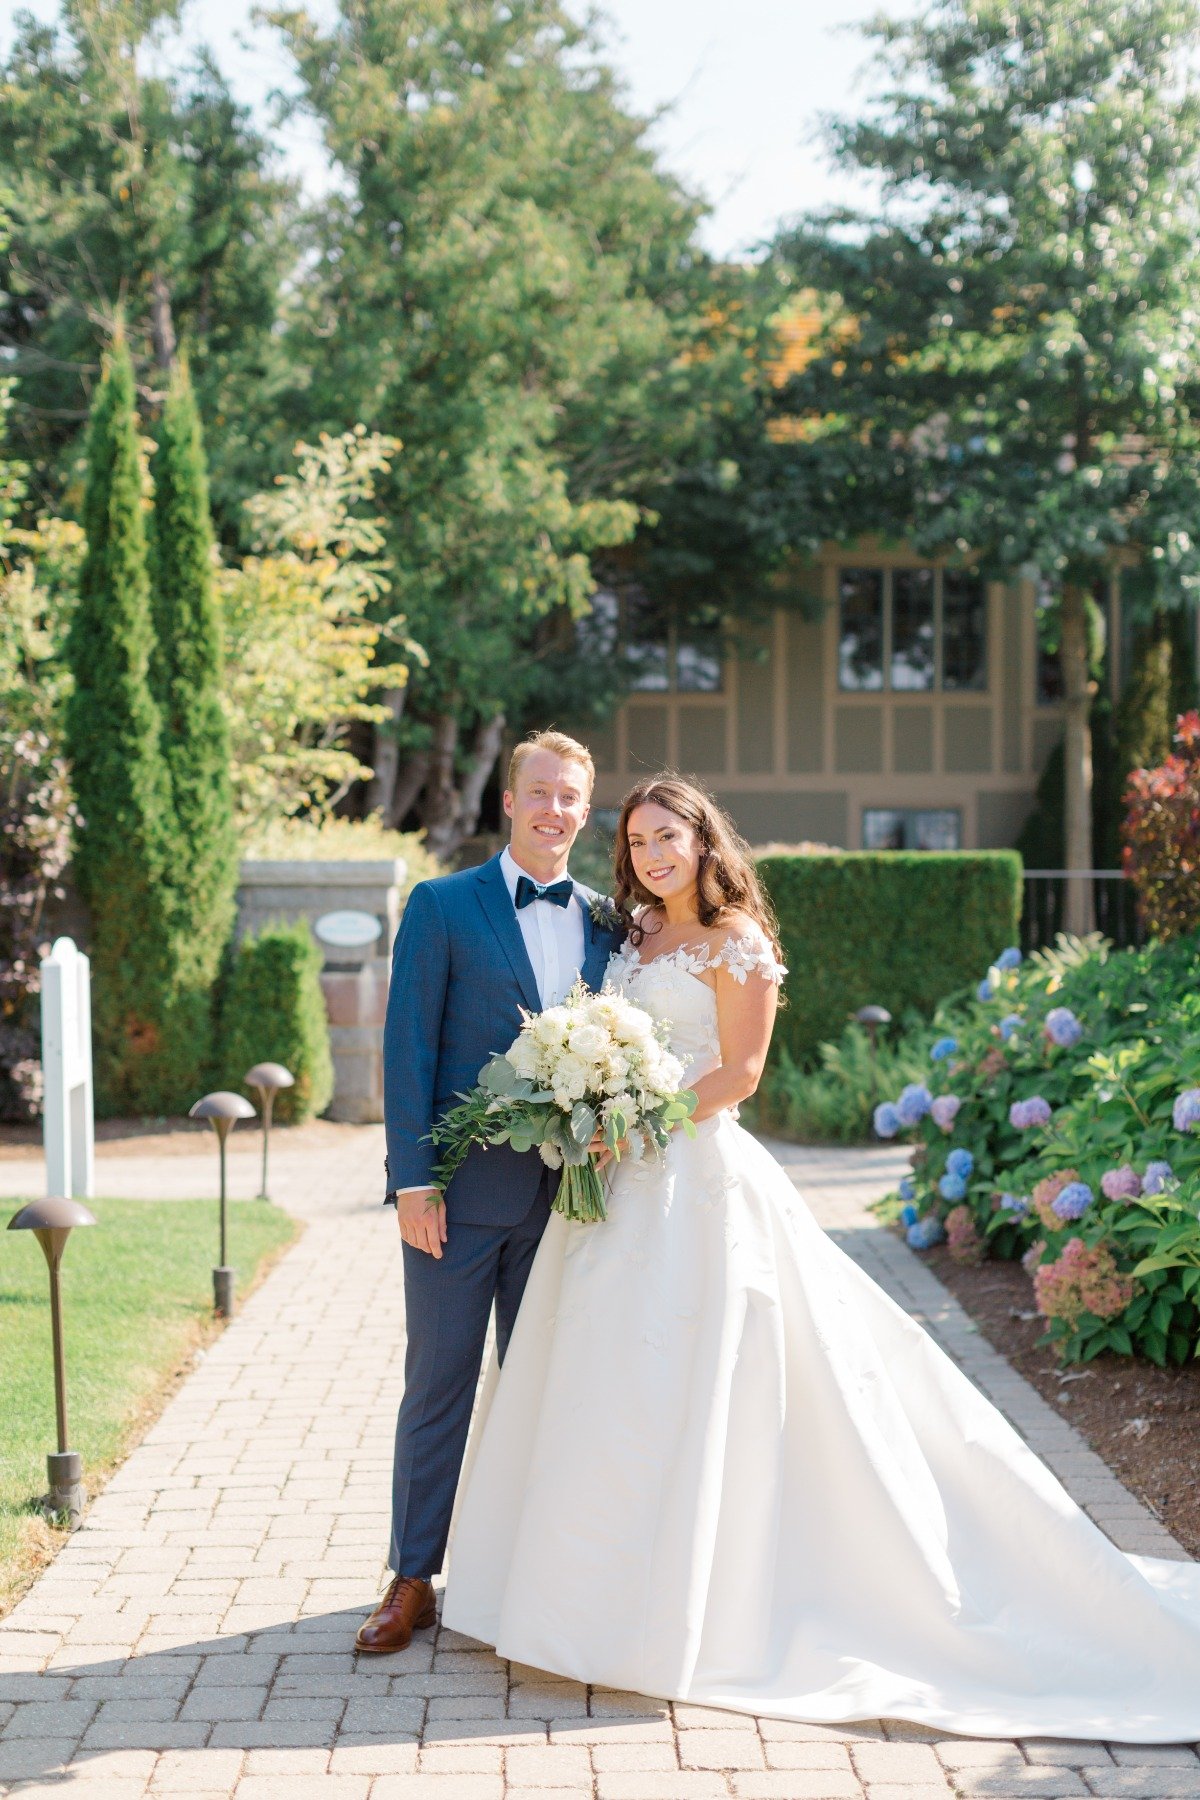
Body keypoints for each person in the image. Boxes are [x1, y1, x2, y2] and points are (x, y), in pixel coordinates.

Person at [441, 772, 1200, 1741]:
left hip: (694, 1181)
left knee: (697, 1377)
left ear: (705, 840)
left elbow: (743, 1074)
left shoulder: (739, 941)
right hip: (614, 1191)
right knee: (599, 1380)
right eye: (636, 843)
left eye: (667, 836)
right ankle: (576, 1592)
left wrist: (637, 1116)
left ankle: (692, 1600)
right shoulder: (630, 940)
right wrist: (591, 1107)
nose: (652, 855)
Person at [356, 730, 625, 1654]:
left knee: (544, 1390)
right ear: (509, 802)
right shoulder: (442, 906)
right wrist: (413, 1183)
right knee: (439, 1386)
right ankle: (410, 1579)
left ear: (588, 813)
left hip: (569, 1207)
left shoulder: (609, 922)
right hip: (456, 1202)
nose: (555, 810)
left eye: (571, 798)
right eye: (540, 792)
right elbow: (407, 1051)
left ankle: (522, 1573)